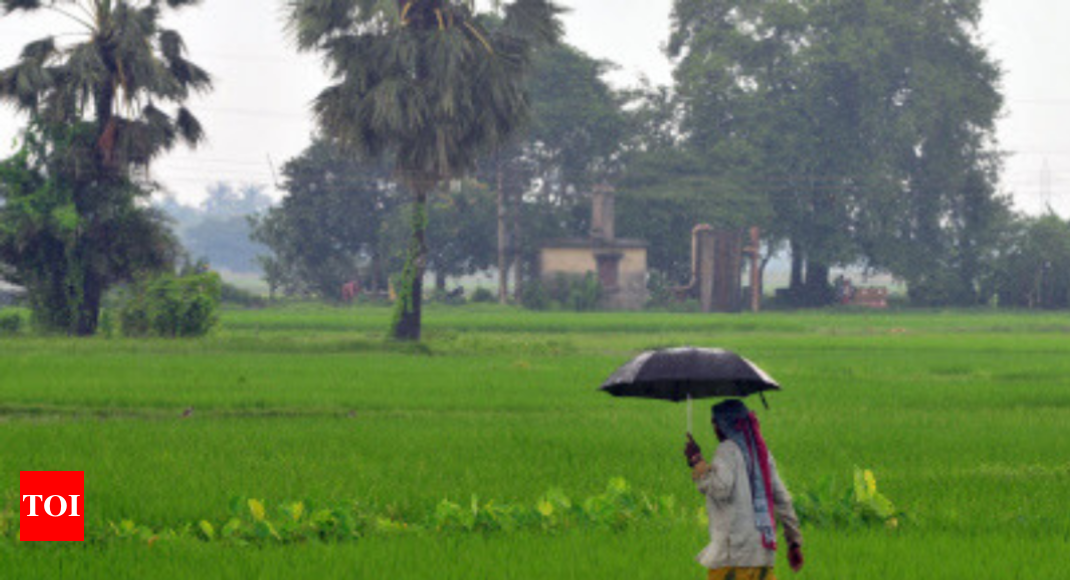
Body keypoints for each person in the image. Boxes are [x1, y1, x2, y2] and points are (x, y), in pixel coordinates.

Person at [684, 399, 804, 580]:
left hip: (733, 557)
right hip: (762, 556)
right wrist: (794, 542)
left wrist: (697, 461)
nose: (715, 430)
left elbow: (720, 488)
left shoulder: (727, 450)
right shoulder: (763, 453)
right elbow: (782, 499)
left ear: (724, 424)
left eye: (715, 423)